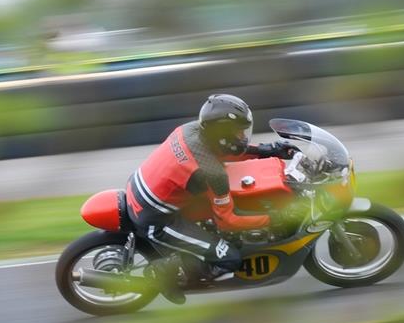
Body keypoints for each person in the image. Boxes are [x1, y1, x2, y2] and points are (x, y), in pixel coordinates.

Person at [125, 94, 299, 304]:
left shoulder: (190, 130)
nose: (243, 136)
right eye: (238, 132)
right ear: (222, 133)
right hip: (154, 217)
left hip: (142, 186)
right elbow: (228, 222)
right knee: (229, 258)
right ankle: (163, 272)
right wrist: (273, 219)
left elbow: (222, 151)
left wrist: (267, 150)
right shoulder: (212, 173)